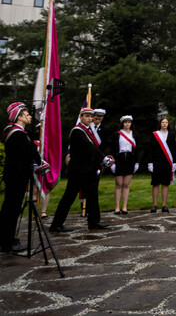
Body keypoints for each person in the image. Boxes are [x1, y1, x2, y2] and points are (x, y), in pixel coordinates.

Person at [50, 107, 112, 232]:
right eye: (87, 116)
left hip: (89, 170)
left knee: (93, 196)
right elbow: (89, 146)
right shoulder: (77, 131)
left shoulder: (88, 130)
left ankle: (94, 222)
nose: (89, 119)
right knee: (69, 197)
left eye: (91, 117)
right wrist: (103, 157)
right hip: (78, 170)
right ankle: (56, 224)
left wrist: (99, 163)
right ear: (81, 117)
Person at [1, 103, 43, 252]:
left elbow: (30, 143)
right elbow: (29, 151)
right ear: (19, 117)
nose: (30, 116)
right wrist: (39, 161)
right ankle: (7, 242)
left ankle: (7, 238)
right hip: (16, 176)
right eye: (27, 114)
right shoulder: (17, 133)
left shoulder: (17, 131)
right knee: (11, 210)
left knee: (10, 208)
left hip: (15, 175)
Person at [111, 115, 139, 215]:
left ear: (131, 124)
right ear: (122, 123)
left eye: (129, 122)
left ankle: (124, 207)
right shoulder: (117, 134)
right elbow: (113, 149)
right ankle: (117, 207)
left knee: (126, 184)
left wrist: (137, 162)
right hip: (119, 159)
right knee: (119, 184)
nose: (127, 124)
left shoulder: (134, 135)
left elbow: (137, 149)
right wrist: (112, 163)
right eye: (125, 122)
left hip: (130, 159)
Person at [149, 117, 176, 213]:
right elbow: (151, 149)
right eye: (163, 122)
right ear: (160, 123)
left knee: (165, 183)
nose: (164, 124)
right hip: (156, 162)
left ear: (168, 124)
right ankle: (155, 205)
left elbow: (173, 149)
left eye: (166, 122)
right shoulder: (155, 134)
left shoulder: (171, 135)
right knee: (155, 183)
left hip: (167, 162)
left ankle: (164, 205)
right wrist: (150, 163)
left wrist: (174, 162)